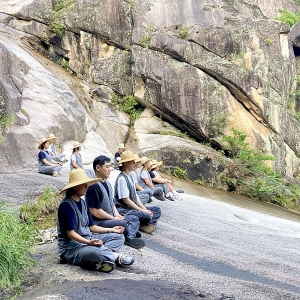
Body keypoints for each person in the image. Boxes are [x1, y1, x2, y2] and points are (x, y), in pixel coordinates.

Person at [57, 168, 135, 273]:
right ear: (75, 186)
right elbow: (70, 234)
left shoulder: (83, 203)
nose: (86, 187)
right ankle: (109, 256)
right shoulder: (66, 206)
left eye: (87, 184)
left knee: (119, 237)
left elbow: (91, 227)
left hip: (88, 238)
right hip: (71, 248)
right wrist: (88, 242)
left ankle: (101, 256)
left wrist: (112, 230)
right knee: (98, 252)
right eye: (83, 184)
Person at [85, 155, 145, 249]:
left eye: (110, 167)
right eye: (107, 167)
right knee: (124, 223)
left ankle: (128, 231)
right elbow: (94, 211)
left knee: (129, 219)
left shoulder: (107, 184)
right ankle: (128, 236)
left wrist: (117, 215)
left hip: (109, 218)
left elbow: (111, 203)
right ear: (98, 168)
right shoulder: (93, 186)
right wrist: (113, 218)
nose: (110, 170)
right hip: (98, 222)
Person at [114, 151, 161, 235]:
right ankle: (141, 222)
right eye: (133, 162)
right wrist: (143, 211)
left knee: (156, 210)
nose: (134, 164)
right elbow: (126, 200)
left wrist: (145, 209)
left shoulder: (129, 176)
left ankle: (141, 223)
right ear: (127, 163)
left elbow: (135, 196)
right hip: (125, 210)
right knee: (146, 214)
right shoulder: (122, 178)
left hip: (132, 209)